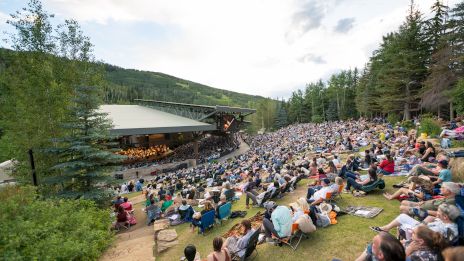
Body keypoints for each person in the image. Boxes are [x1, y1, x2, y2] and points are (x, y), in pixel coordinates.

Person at [371, 204, 460, 241]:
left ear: (445, 216)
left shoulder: (444, 229)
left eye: (439, 211)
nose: (436, 213)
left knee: (403, 225)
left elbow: (422, 232)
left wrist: (425, 222)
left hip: (420, 235)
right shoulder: (447, 222)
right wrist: (430, 219)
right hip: (422, 228)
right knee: (403, 216)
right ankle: (386, 228)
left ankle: (400, 242)